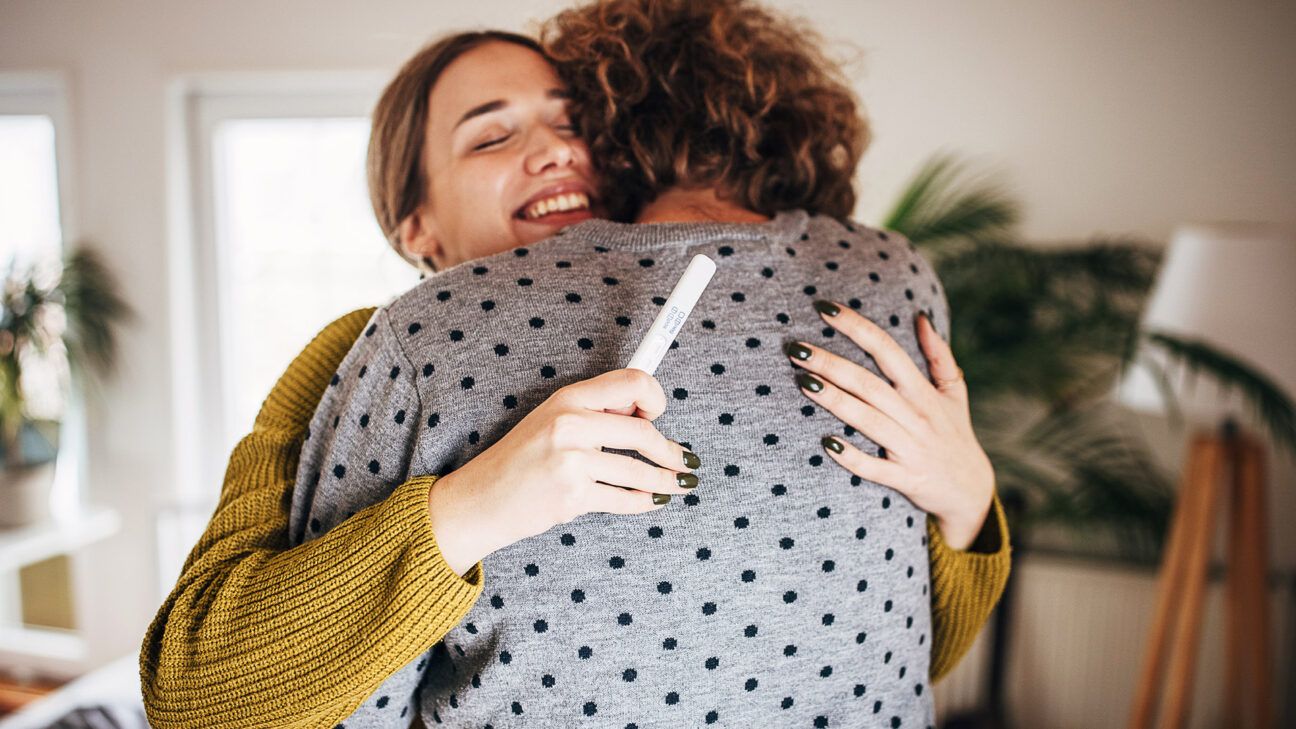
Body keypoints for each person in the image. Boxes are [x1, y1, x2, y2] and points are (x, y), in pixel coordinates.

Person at [139, 10, 1009, 729]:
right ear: (417, 228)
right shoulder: (367, 355)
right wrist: (472, 504)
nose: (555, 151)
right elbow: (197, 696)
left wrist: (967, 497)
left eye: (572, 124)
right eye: (491, 138)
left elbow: (887, 655)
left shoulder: (694, 311)